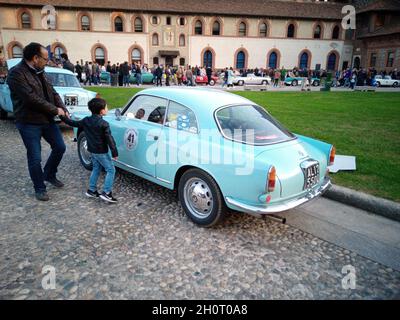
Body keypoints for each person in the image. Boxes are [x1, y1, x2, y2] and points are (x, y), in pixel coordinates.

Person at [7, 42, 68, 201]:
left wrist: (62, 108)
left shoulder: (41, 71)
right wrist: (55, 110)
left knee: (60, 147)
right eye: (45, 58)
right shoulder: (16, 74)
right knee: (35, 157)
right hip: (28, 122)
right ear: (35, 58)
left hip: (46, 120)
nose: (47, 61)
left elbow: (53, 92)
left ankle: (48, 174)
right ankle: (39, 187)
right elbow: (31, 99)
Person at [61, 98, 118, 203]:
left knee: (96, 168)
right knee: (111, 170)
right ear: (101, 111)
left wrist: (62, 117)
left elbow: (72, 123)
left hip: (92, 150)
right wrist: (114, 152)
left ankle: (92, 190)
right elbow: (109, 139)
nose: (107, 109)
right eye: (106, 107)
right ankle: (107, 193)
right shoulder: (104, 124)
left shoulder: (86, 120)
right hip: (101, 152)